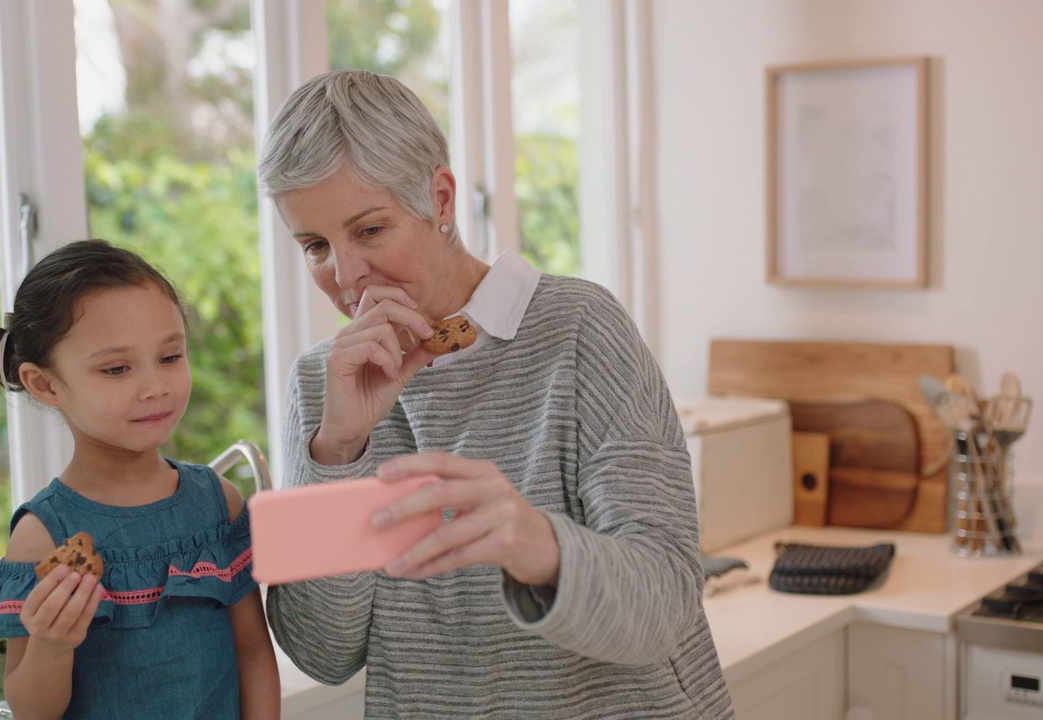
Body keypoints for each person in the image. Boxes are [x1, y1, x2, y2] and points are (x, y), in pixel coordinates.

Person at [257, 69, 733, 718]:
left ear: (442, 200)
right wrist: (339, 450)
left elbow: (666, 602)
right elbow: (322, 652)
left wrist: (538, 544)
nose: (345, 276)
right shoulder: (323, 387)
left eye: (369, 230)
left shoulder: (580, 328)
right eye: (315, 245)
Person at [0, 239, 280, 719]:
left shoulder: (217, 502)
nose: (155, 386)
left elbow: (252, 650)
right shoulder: (42, 536)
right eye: (117, 368)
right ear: (45, 383)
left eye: (170, 357)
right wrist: (51, 646)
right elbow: (31, 710)